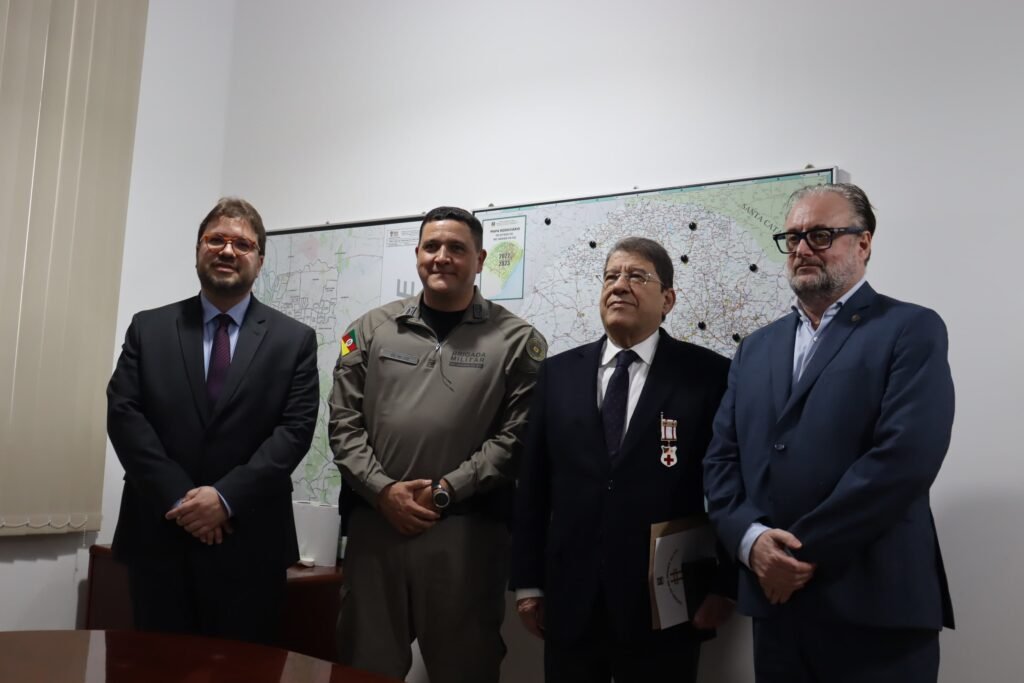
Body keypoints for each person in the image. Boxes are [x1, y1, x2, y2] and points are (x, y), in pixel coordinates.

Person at [703, 183, 955, 682]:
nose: (801, 248)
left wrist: (796, 555)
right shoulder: (755, 348)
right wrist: (752, 543)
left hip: (875, 609)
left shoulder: (911, 329)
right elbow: (721, 462)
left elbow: (905, 459)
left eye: (820, 235)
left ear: (863, 243)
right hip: (777, 613)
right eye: (792, 237)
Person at [328, 206, 546, 682]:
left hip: (467, 538)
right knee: (364, 667)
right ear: (417, 255)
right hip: (376, 531)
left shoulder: (517, 340)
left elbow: (516, 438)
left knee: (466, 669)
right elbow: (344, 424)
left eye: (456, 248)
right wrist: (383, 491)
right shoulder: (368, 330)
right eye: (432, 246)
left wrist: (445, 490)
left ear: (480, 259)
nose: (442, 257)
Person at [509, 237, 736, 683]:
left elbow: (729, 483)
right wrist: (528, 583)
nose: (619, 285)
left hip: (666, 601)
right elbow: (533, 485)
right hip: (570, 598)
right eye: (611, 276)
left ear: (668, 299)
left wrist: (727, 585)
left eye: (636, 276)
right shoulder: (558, 374)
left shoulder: (709, 375)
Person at [106, 197, 319, 644]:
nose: (227, 250)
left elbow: (294, 431)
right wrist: (183, 500)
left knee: (243, 670)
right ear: (198, 249)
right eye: (215, 239)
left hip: (250, 541)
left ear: (260, 260)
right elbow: (125, 415)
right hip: (159, 535)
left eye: (242, 244)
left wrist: (224, 498)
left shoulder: (294, 340)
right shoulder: (149, 328)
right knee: (154, 668)